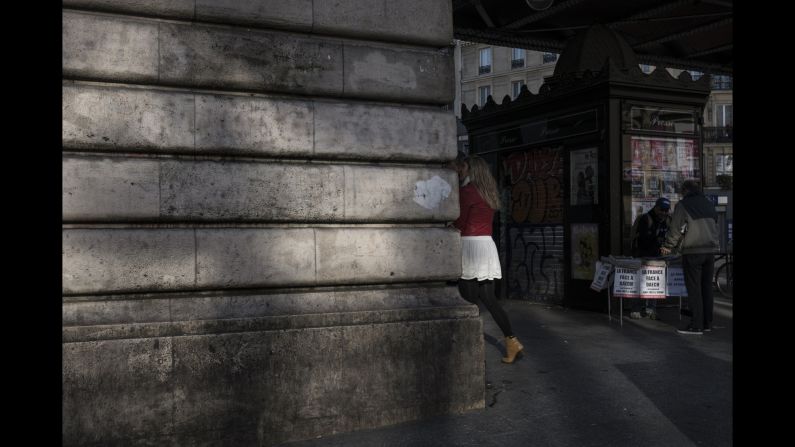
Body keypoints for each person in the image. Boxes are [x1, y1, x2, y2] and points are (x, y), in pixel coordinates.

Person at [451, 155, 524, 363]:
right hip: (486, 245)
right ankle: (512, 342)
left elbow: (459, 222)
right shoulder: (488, 192)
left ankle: (468, 352)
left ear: (471, 169)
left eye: (462, 167)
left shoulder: (467, 192)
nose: (459, 171)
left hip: (470, 245)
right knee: (489, 299)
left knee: (468, 301)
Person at [660, 180, 719, 335]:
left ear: (685, 190)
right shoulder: (708, 203)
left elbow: (675, 228)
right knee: (706, 288)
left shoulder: (683, 204)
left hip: (693, 251)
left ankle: (696, 325)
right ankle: (706, 323)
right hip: (710, 250)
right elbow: (715, 222)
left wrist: (668, 246)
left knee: (694, 289)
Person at [630, 197, 671, 320]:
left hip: (657, 257)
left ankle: (650, 309)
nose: (664, 213)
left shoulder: (667, 220)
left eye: (666, 210)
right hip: (642, 255)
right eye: (662, 210)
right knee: (638, 283)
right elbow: (643, 239)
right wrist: (657, 240)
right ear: (656, 207)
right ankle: (636, 309)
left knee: (654, 284)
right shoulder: (645, 219)